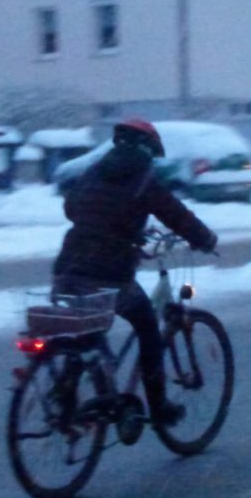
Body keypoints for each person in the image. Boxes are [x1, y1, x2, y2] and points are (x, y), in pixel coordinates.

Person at [52, 118, 218, 427]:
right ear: (147, 150)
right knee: (148, 329)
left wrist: (118, 230)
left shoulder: (93, 172)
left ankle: (68, 393)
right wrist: (205, 239)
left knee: (87, 331)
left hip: (69, 267)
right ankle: (159, 407)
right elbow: (176, 215)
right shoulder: (144, 181)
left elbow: (71, 209)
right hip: (109, 274)